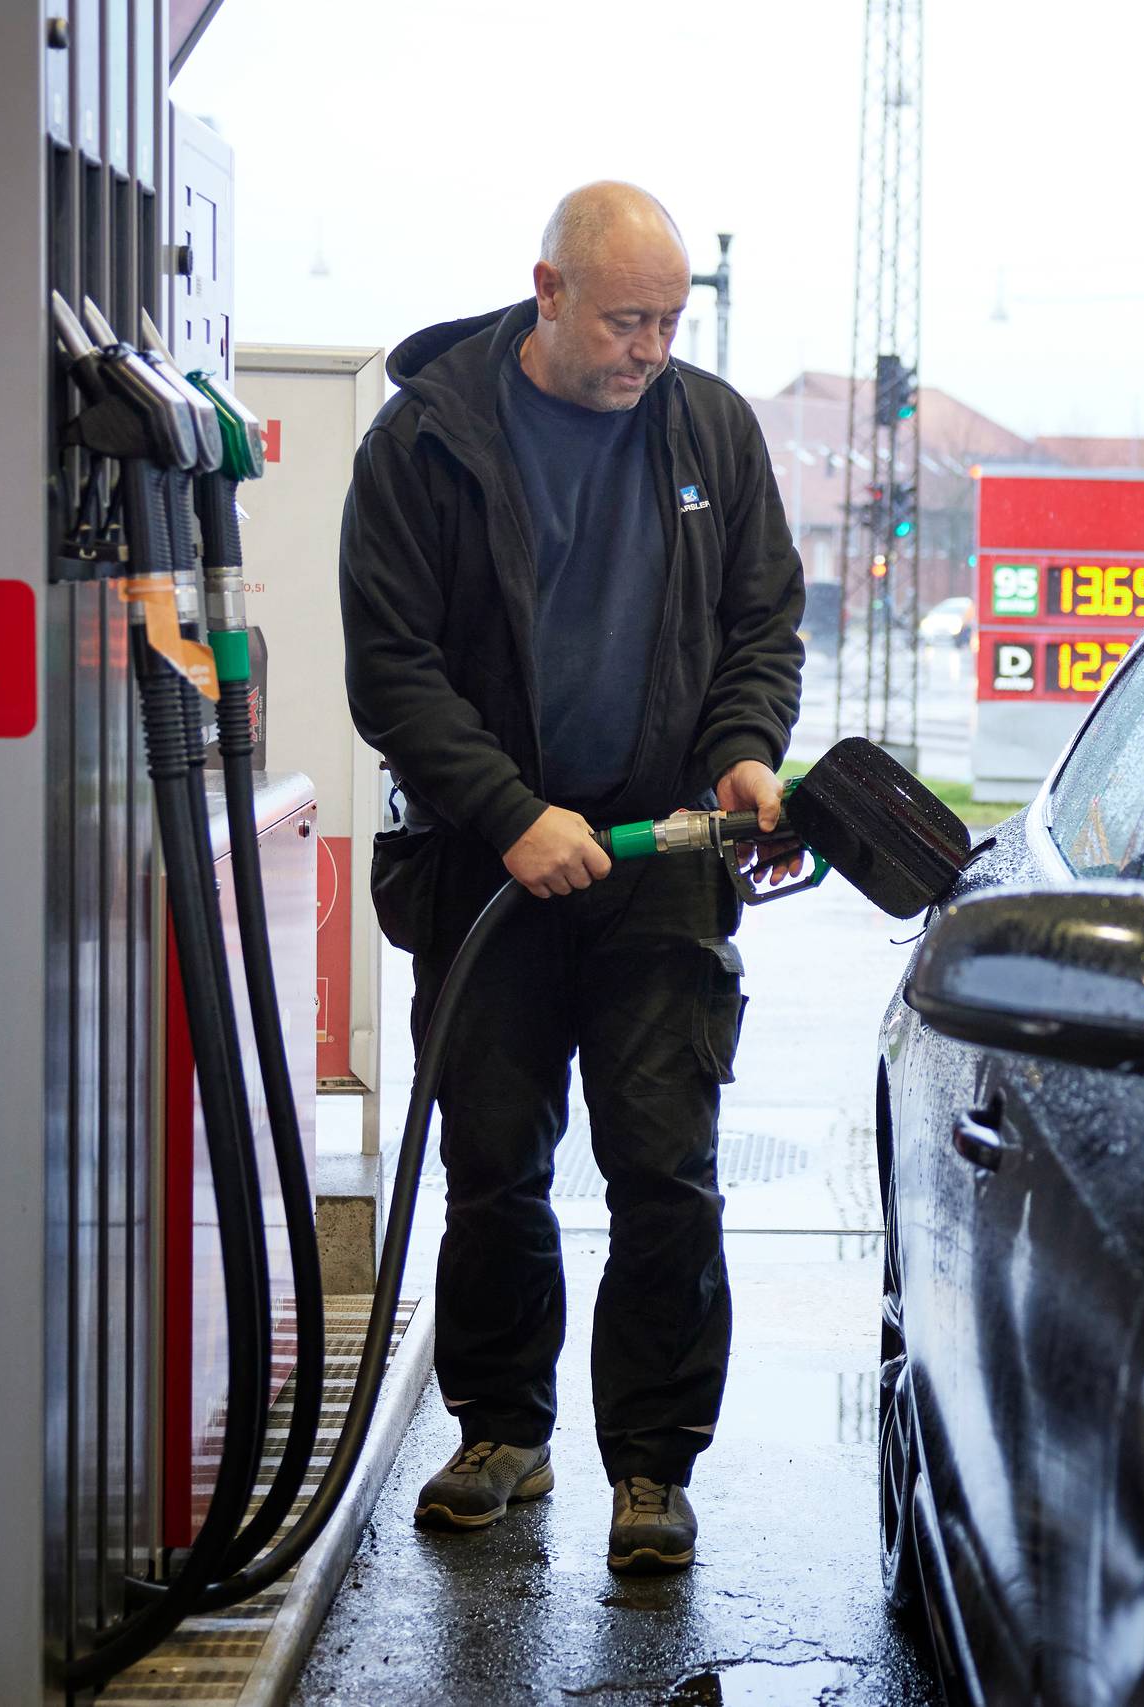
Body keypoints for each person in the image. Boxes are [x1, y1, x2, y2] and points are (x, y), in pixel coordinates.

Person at [340, 181, 804, 1572]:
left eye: (669, 321)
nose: (649, 349)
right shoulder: (426, 440)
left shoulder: (710, 430)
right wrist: (508, 813)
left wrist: (742, 754)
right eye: (624, 322)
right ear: (547, 291)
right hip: (490, 866)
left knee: (665, 1171)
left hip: (661, 859)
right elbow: (393, 670)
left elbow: (761, 623)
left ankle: (653, 1468)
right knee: (494, 1166)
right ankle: (502, 1432)